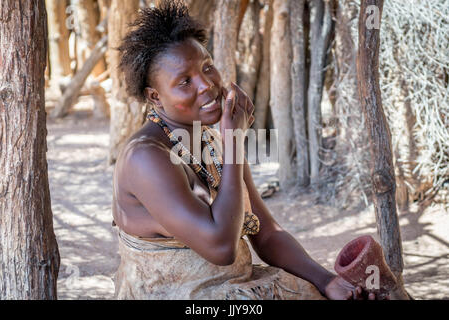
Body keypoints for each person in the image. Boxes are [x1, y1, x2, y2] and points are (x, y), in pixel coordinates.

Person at [111, 0, 381, 300]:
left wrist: (328, 282)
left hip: (235, 290)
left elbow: (265, 233)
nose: (207, 85)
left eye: (207, 67)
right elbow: (221, 247)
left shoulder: (211, 142)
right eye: (185, 81)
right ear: (155, 97)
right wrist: (235, 145)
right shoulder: (146, 157)